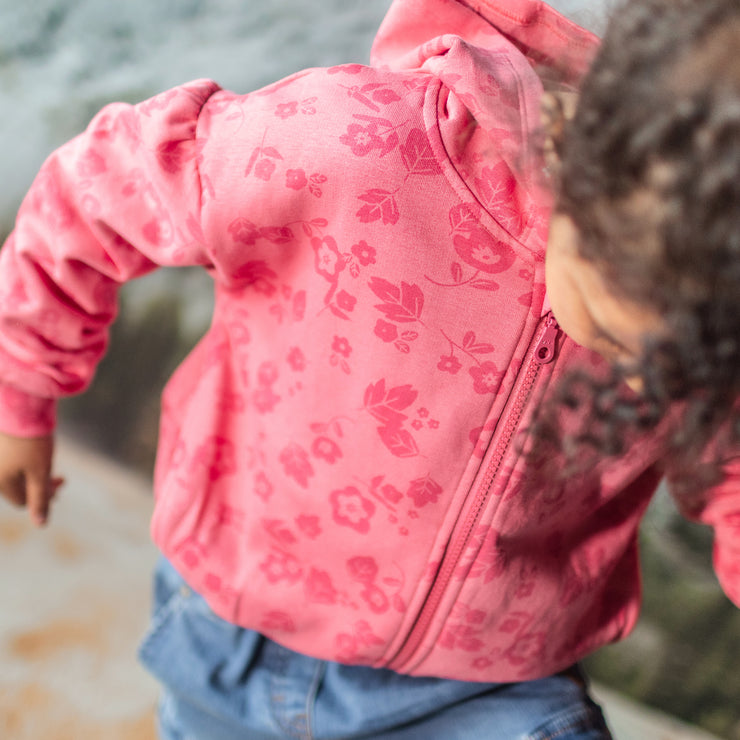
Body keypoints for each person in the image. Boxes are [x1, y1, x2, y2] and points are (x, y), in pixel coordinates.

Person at [0, 0, 738, 737]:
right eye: (621, 335)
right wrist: (22, 383)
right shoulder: (353, 148)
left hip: (490, 682)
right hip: (236, 623)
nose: (647, 382)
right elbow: (99, 190)